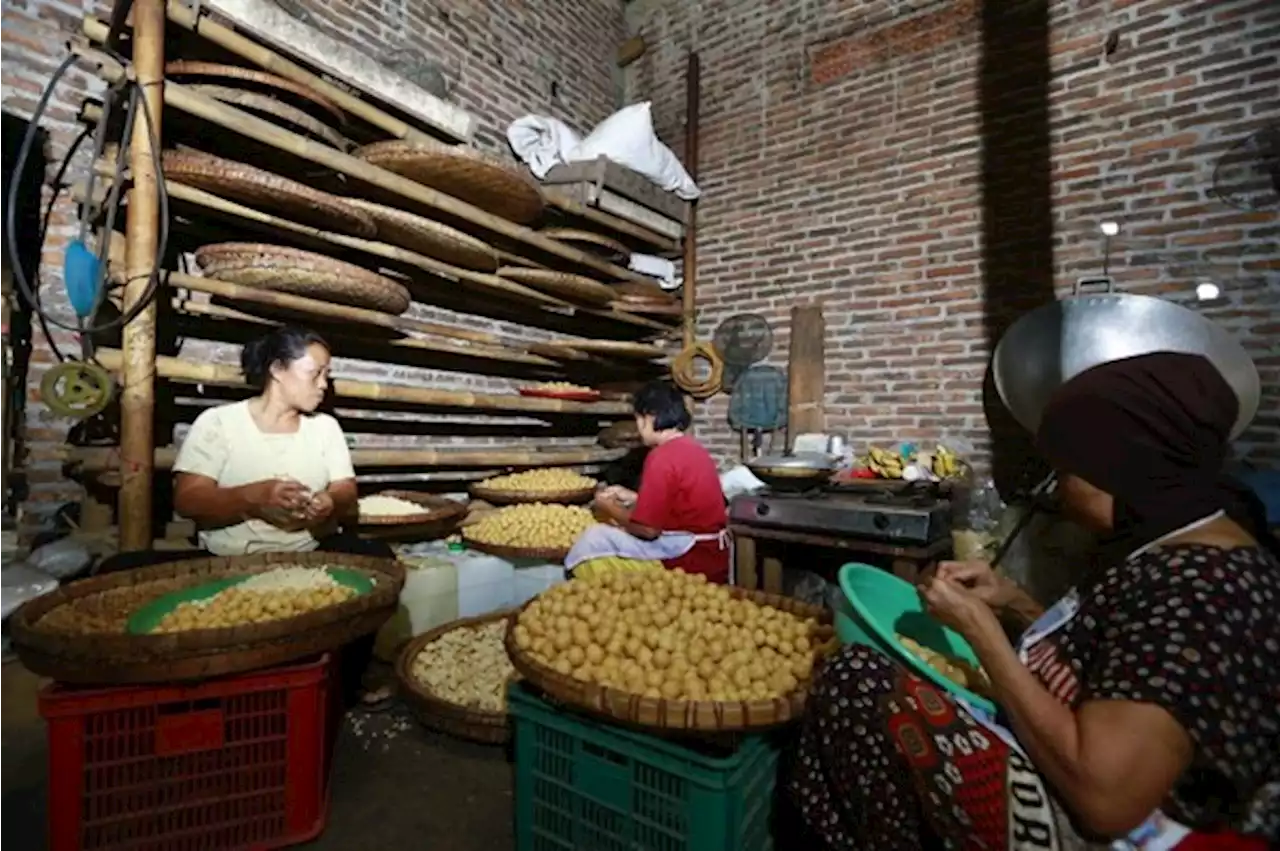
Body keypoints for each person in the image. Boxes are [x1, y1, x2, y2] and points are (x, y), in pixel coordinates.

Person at [789, 351, 1280, 851]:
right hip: (1081, 760)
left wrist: (982, 634)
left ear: (1123, 470)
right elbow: (1121, 654)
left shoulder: (1202, 588)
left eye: (1067, 470)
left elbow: (1106, 800)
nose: (1060, 489)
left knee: (855, 682)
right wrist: (1013, 602)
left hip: (1112, 830)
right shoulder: (1176, 539)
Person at [94, 326, 394, 704]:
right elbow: (188, 498)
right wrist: (254, 497)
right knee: (118, 573)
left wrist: (329, 502)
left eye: (326, 375)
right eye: (315, 373)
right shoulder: (220, 423)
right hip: (229, 564)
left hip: (308, 558)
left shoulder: (325, 429)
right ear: (278, 370)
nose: (323, 385)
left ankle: (343, 687)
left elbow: (345, 488)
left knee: (378, 562)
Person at [566, 381, 729, 583]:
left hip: (688, 561)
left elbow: (648, 530)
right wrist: (635, 497)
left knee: (593, 539)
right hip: (714, 555)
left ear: (648, 418)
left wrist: (607, 507)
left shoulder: (661, 456)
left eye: (638, 420)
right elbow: (682, 502)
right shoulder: (694, 448)